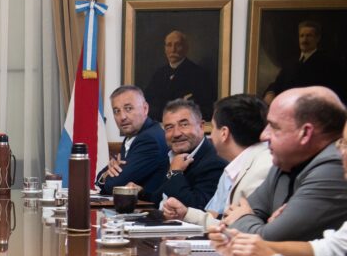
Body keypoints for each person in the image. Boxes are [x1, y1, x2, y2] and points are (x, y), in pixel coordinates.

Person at [208, 104, 347, 256]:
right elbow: (330, 249)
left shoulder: (330, 165)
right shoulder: (283, 162)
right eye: (341, 143)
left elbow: (272, 236)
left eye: (344, 143)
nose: (341, 152)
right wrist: (242, 245)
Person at [224, 86, 347, 241]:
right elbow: (232, 215)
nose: (263, 136)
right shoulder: (285, 161)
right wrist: (257, 223)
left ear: (305, 133)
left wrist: (248, 220)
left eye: (274, 127)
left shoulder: (335, 166)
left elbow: (270, 240)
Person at [163, 94, 272, 227]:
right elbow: (222, 220)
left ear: (224, 133)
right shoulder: (233, 168)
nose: (211, 135)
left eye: (213, 127)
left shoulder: (263, 168)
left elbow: (243, 229)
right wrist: (185, 213)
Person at [133, 99, 226, 209]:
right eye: (169, 127)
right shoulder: (174, 155)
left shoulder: (215, 162)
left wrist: (175, 173)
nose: (176, 133)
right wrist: (141, 192)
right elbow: (164, 197)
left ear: (201, 127)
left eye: (184, 124)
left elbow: (196, 208)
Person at [95, 85, 168, 196]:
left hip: (150, 209)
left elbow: (115, 185)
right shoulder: (132, 136)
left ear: (145, 109)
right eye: (116, 111)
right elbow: (100, 179)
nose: (122, 117)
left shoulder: (149, 139)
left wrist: (107, 177)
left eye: (128, 108)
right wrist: (105, 175)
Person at [264, 21, 346, 105]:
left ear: (317, 38)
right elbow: (278, 83)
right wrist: (270, 92)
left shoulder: (328, 63)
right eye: (301, 36)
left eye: (309, 36)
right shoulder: (290, 63)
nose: (304, 40)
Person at [144, 30, 216, 121]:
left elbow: (207, 110)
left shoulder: (199, 74)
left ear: (186, 48)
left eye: (177, 45)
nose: (173, 49)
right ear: (165, 49)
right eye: (169, 45)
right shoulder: (158, 74)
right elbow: (147, 106)